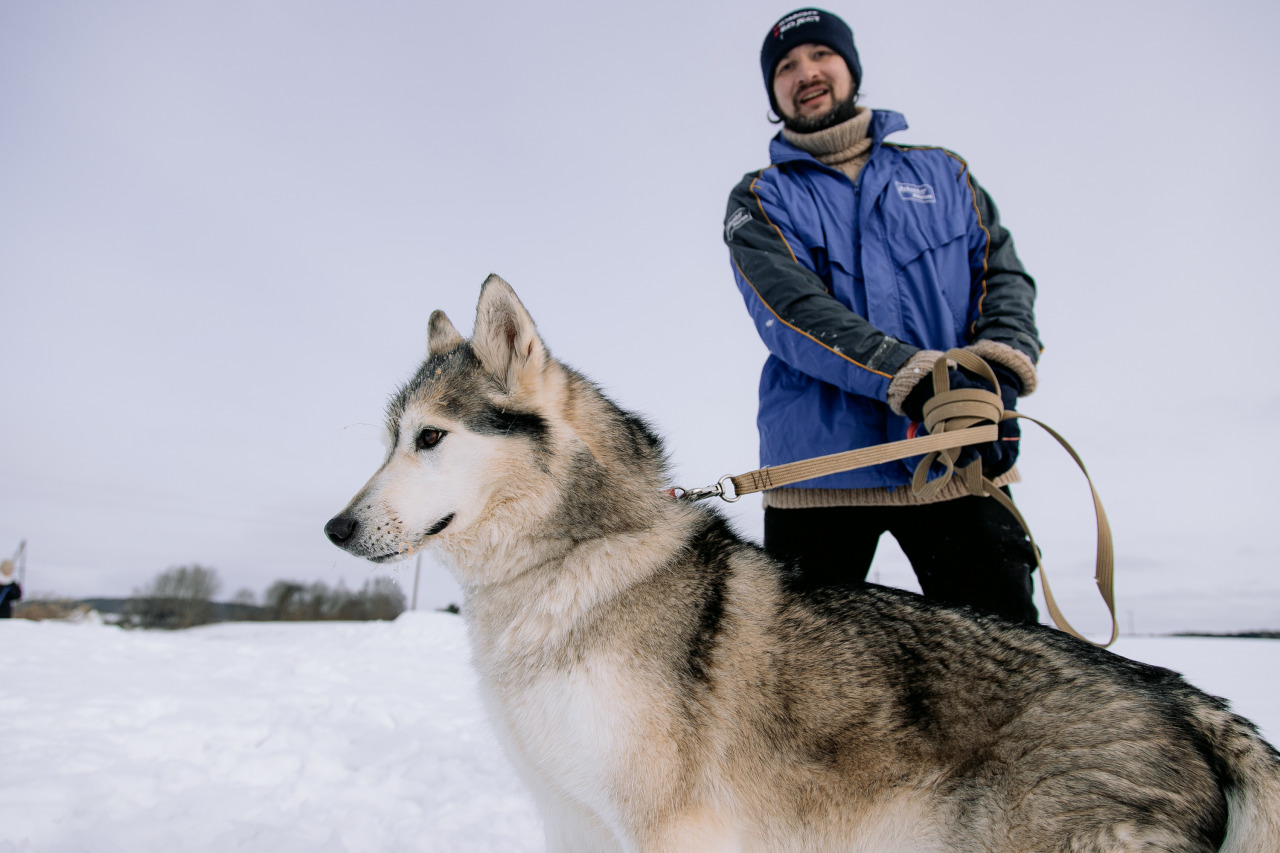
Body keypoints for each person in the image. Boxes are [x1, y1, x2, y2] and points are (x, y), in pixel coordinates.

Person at [724, 8, 1043, 623]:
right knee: (799, 694)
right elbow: (789, 310)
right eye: (785, 67)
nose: (805, 73)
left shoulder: (945, 174)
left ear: (850, 67)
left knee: (1007, 679)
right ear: (773, 92)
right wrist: (918, 378)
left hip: (955, 461)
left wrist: (992, 386)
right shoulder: (761, 197)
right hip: (818, 480)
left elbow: (1003, 282)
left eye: (820, 55)